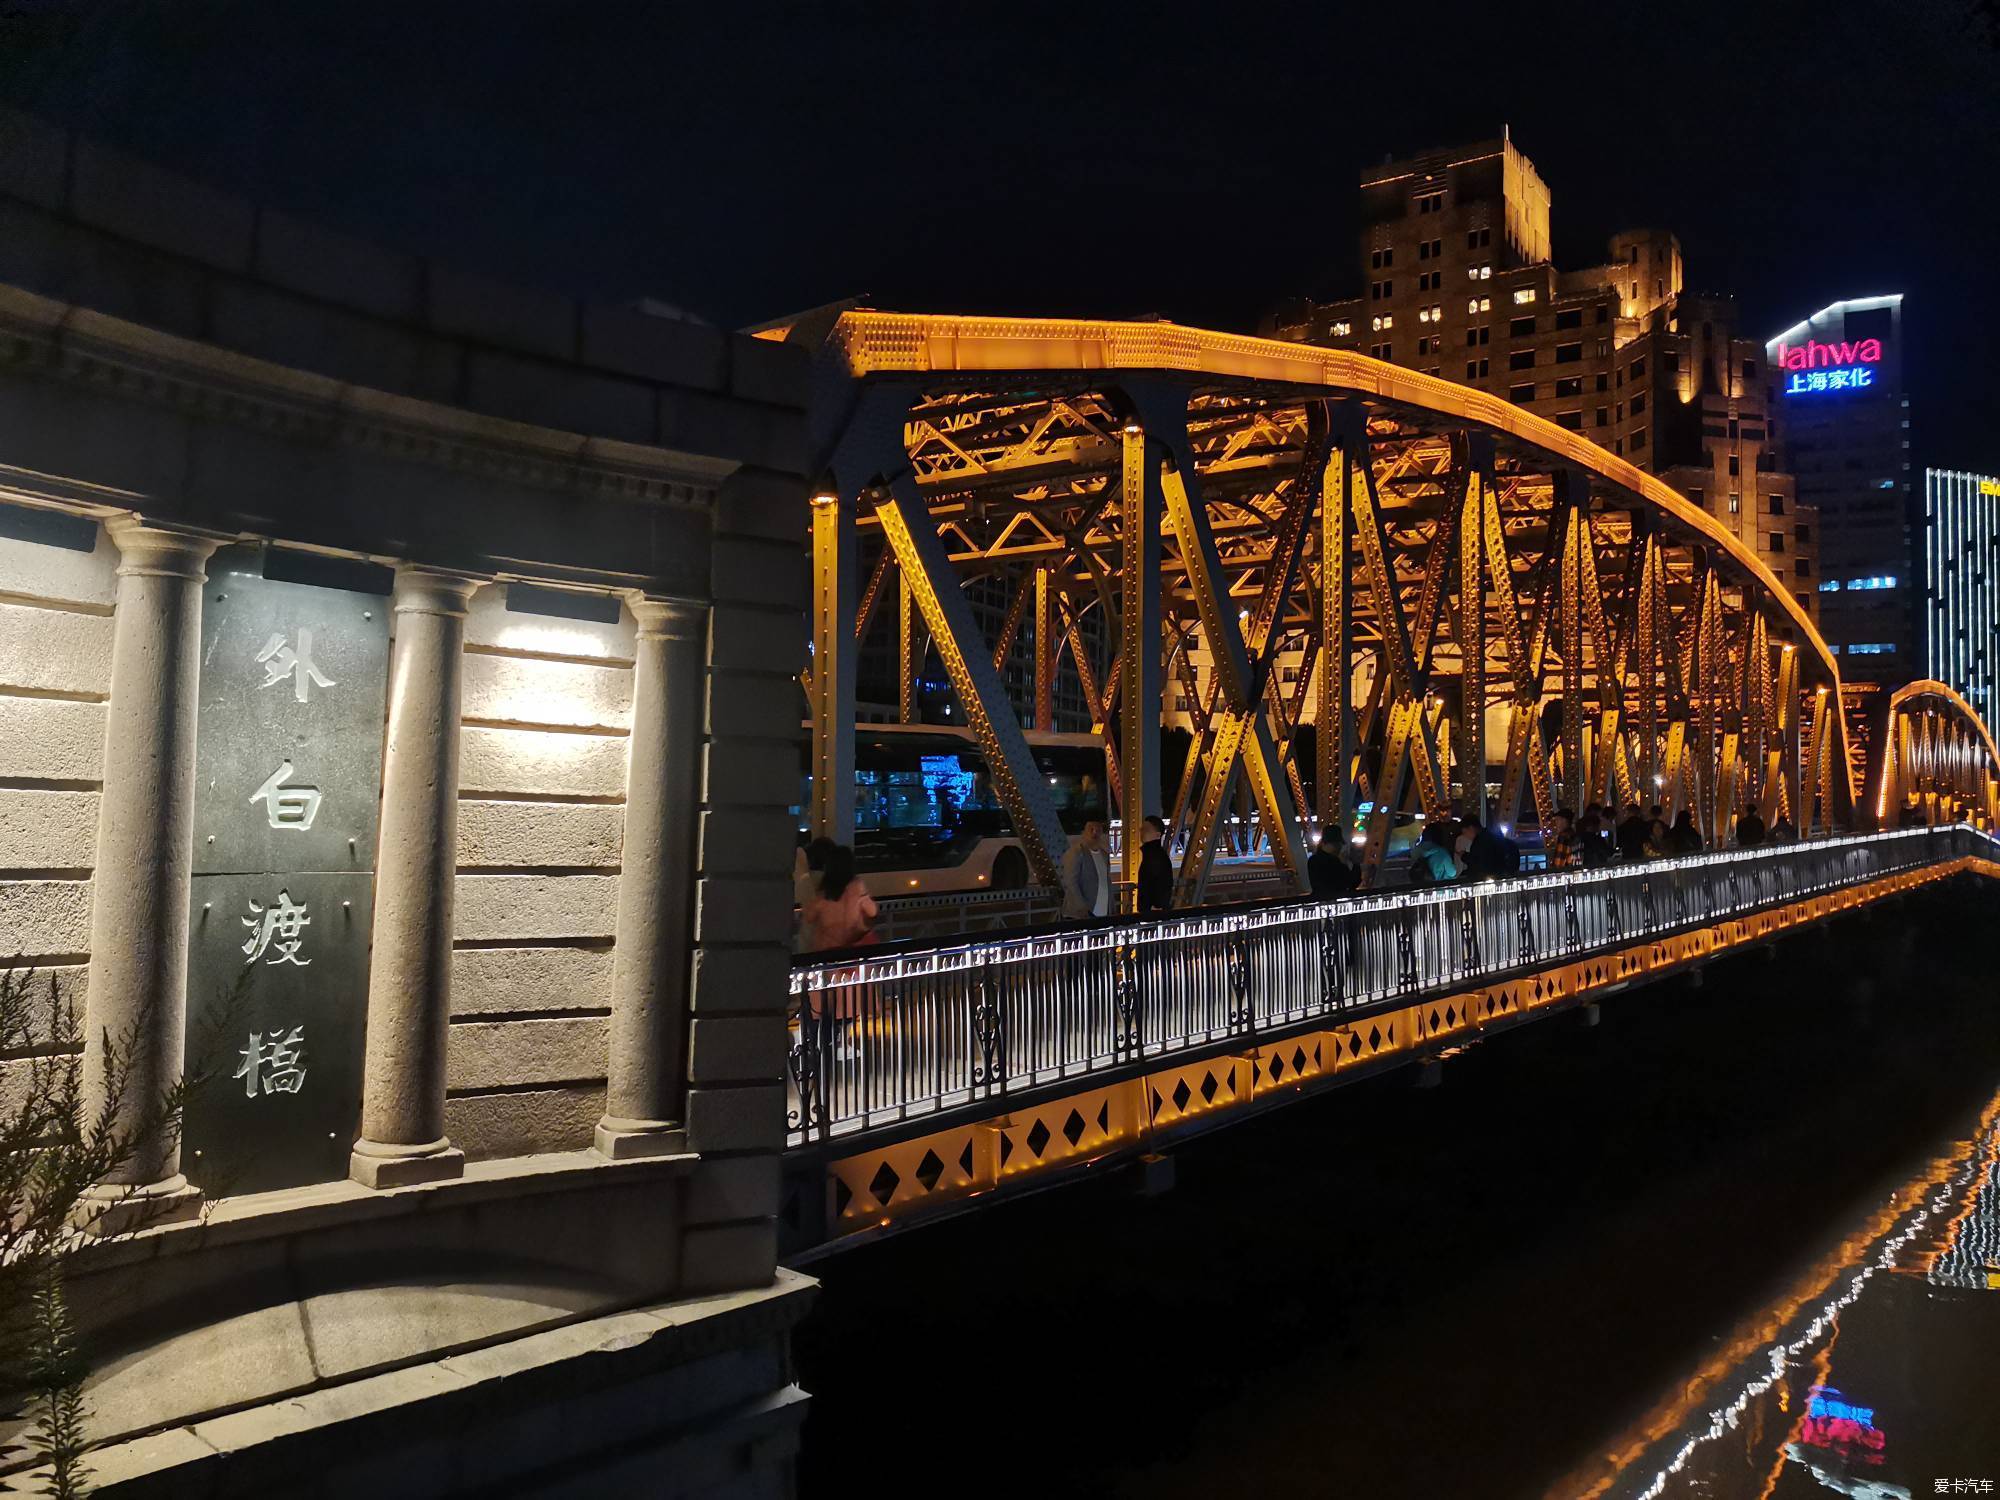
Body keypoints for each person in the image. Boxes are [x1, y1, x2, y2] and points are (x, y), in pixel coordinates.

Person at [805, 843, 877, 950]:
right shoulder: (858, 888)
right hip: (851, 953)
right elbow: (872, 912)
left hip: (826, 953)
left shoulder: (824, 894)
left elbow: (808, 917)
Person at [1061, 815, 1111, 919]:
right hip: (1082, 914)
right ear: (1083, 832)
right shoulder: (1076, 853)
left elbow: (1106, 882)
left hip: (1103, 912)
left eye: (1098, 829)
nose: (1094, 832)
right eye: (1091, 829)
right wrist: (1082, 907)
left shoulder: (1104, 855)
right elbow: (1070, 882)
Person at [1136, 815, 1174, 914]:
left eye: (1146, 829)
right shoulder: (1156, 855)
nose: (1142, 832)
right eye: (1142, 829)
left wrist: (1156, 906)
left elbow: (1162, 883)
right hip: (1152, 910)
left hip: (1152, 911)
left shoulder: (1154, 856)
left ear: (1158, 834)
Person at [1463, 814, 1520, 879]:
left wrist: (1464, 856)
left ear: (1471, 828)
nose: (1466, 836)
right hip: (1506, 878)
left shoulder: (1480, 843)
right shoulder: (1497, 838)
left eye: (1465, 832)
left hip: (1490, 881)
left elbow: (1479, 864)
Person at [1307, 828, 1359, 898]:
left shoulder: (1313, 860)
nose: (1339, 847)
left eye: (1339, 844)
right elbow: (1351, 883)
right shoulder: (1333, 861)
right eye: (1335, 844)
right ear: (1324, 843)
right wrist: (1351, 864)